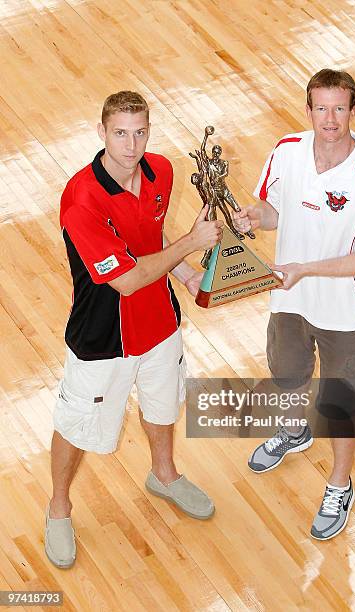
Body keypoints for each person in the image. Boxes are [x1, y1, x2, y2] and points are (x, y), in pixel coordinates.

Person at [45, 91, 223, 568]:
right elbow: (125, 279)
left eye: (140, 132)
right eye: (120, 133)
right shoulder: (82, 198)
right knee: (76, 427)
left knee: (163, 406)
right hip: (102, 340)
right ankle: (59, 506)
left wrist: (185, 273)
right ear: (101, 133)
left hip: (161, 324)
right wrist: (191, 243)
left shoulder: (159, 171)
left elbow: (152, 229)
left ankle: (164, 475)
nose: (131, 144)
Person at [233, 69, 355, 540]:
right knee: (287, 376)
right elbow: (275, 210)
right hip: (289, 298)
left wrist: (307, 269)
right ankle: (293, 433)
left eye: (339, 108)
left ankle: (339, 484)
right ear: (307, 110)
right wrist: (255, 217)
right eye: (321, 108)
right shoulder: (286, 151)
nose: (330, 118)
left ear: (353, 110)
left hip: (345, 313)